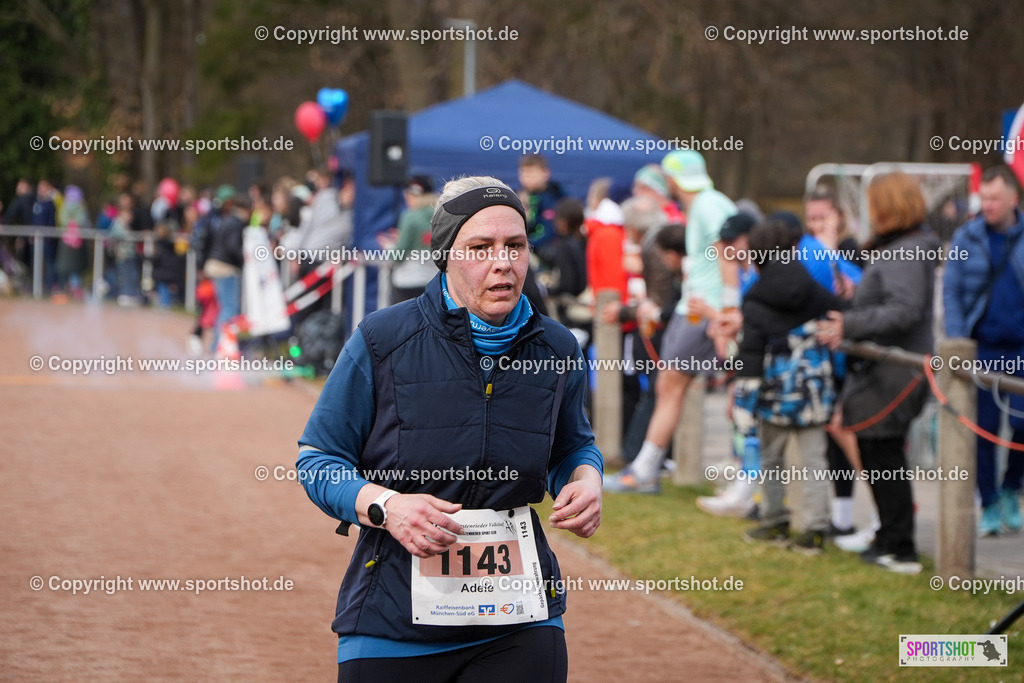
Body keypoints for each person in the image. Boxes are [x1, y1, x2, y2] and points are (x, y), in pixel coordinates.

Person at [297, 176, 602, 681]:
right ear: (445, 256)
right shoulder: (382, 339)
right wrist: (389, 507)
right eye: (480, 248)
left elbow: (573, 447)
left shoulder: (557, 348)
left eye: (515, 245)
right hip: (394, 622)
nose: (503, 262)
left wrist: (586, 481)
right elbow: (318, 460)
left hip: (517, 619)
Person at [817, 172, 938, 574]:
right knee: (875, 450)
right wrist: (855, 301)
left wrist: (851, 324)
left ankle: (900, 547)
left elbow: (904, 310)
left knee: (884, 453)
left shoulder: (908, 249)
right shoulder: (899, 246)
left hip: (899, 369)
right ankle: (887, 535)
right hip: (884, 367)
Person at [605, 149, 736, 493]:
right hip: (696, 307)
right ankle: (646, 469)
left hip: (702, 309)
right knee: (670, 386)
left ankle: (645, 471)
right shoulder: (707, 204)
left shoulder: (707, 205)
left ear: (674, 178)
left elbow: (729, 253)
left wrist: (728, 309)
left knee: (675, 385)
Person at [734, 219, 844, 553]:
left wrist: (743, 402)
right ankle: (814, 529)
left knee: (771, 458)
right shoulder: (810, 287)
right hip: (812, 388)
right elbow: (840, 312)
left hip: (774, 391)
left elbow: (750, 352)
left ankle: (774, 520)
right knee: (814, 460)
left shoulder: (755, 295)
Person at [942, 165, 1024, 536]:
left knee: (1022, 424)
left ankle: (1011, 487)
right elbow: (952, 291)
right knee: (983, 429)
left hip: (1020, 347)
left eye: (994, 198)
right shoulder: (967, 237)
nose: (987, 205)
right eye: (984, 198)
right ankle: (988, 500)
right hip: (984, 348)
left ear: (1012, 198)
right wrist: (958, 340)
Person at [381, 175, 437, 303]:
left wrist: (388, 245)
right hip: (432, 282)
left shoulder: (410, 216)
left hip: (408, 282)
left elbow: (398, 255)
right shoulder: (439, 215)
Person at [518, 154, 565, 249]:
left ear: (545, 173)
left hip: (548, 248)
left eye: (531, 173)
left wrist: (526, 246)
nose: (527, 178)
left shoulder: (556, 197)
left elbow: (550, 232)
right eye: (524, 174)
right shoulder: (518, 197)